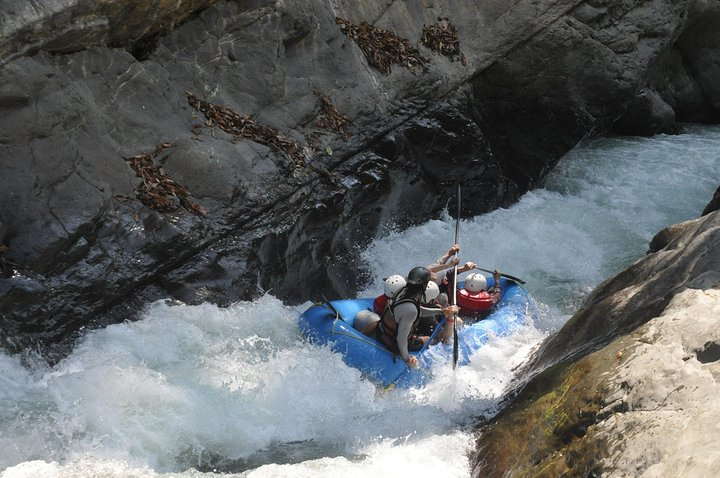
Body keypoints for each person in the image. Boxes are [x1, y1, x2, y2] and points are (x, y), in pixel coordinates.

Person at [376, 266, 458, 368]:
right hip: (393, 342)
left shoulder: (402, 291)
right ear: (424, 285)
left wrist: (442, 311)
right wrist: (407, 359)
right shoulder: (410, 310)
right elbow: (401, 338)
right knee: (433, 339)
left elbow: (417, 310)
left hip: (381, 332)